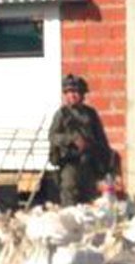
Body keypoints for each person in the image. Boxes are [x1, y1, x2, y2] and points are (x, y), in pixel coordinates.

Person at [48, 73, 115, 205]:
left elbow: (101, 139)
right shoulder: (62, 114)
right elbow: (53, 136)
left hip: (89, 164)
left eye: (76, 92)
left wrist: (107, 166)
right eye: (69, 92)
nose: (72, 95)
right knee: (70, 196)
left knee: (90, 198)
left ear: (83, 95)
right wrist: (72, 139)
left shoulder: (90, 114)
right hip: (70, 163)